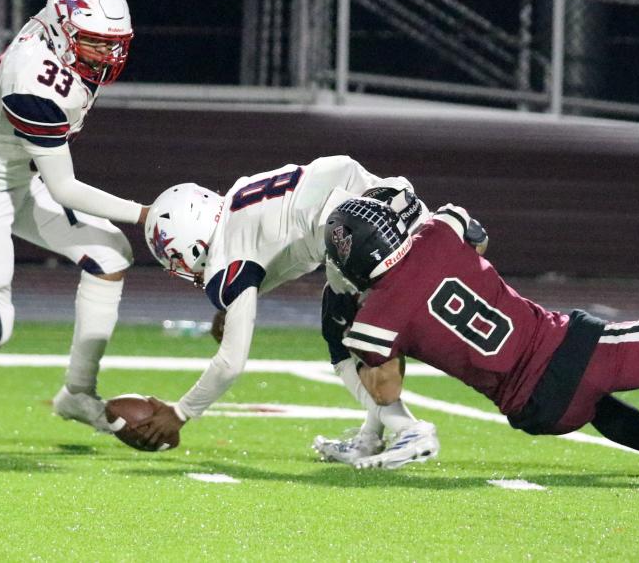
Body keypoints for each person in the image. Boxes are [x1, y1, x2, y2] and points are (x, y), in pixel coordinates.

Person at [321, 197, 639, 476]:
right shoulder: (438, 232)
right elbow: (478, 235)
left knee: (597, 407)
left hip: (535, 411)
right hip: (570, 351)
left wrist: (369, 341)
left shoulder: (373, 323)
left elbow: (386, 392)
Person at [136, 155, 484, 468]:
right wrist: (238, 303)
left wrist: (181, 412)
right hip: (392, 203)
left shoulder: (227, 252)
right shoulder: (240, 197)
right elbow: (294, 255)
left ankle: (409, 430)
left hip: (361, 233)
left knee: (345, 338)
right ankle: (370, 438)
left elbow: (231, 363)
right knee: (360, 331)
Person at [0, 0, 147, 432]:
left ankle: (78, 394)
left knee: (110, 254)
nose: (108, 55)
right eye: (95, 43)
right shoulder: (33, 78)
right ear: (61, 30)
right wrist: (145, 214)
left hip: (16, 174)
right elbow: (66, 190)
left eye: (113, 43)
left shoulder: (55, 32)